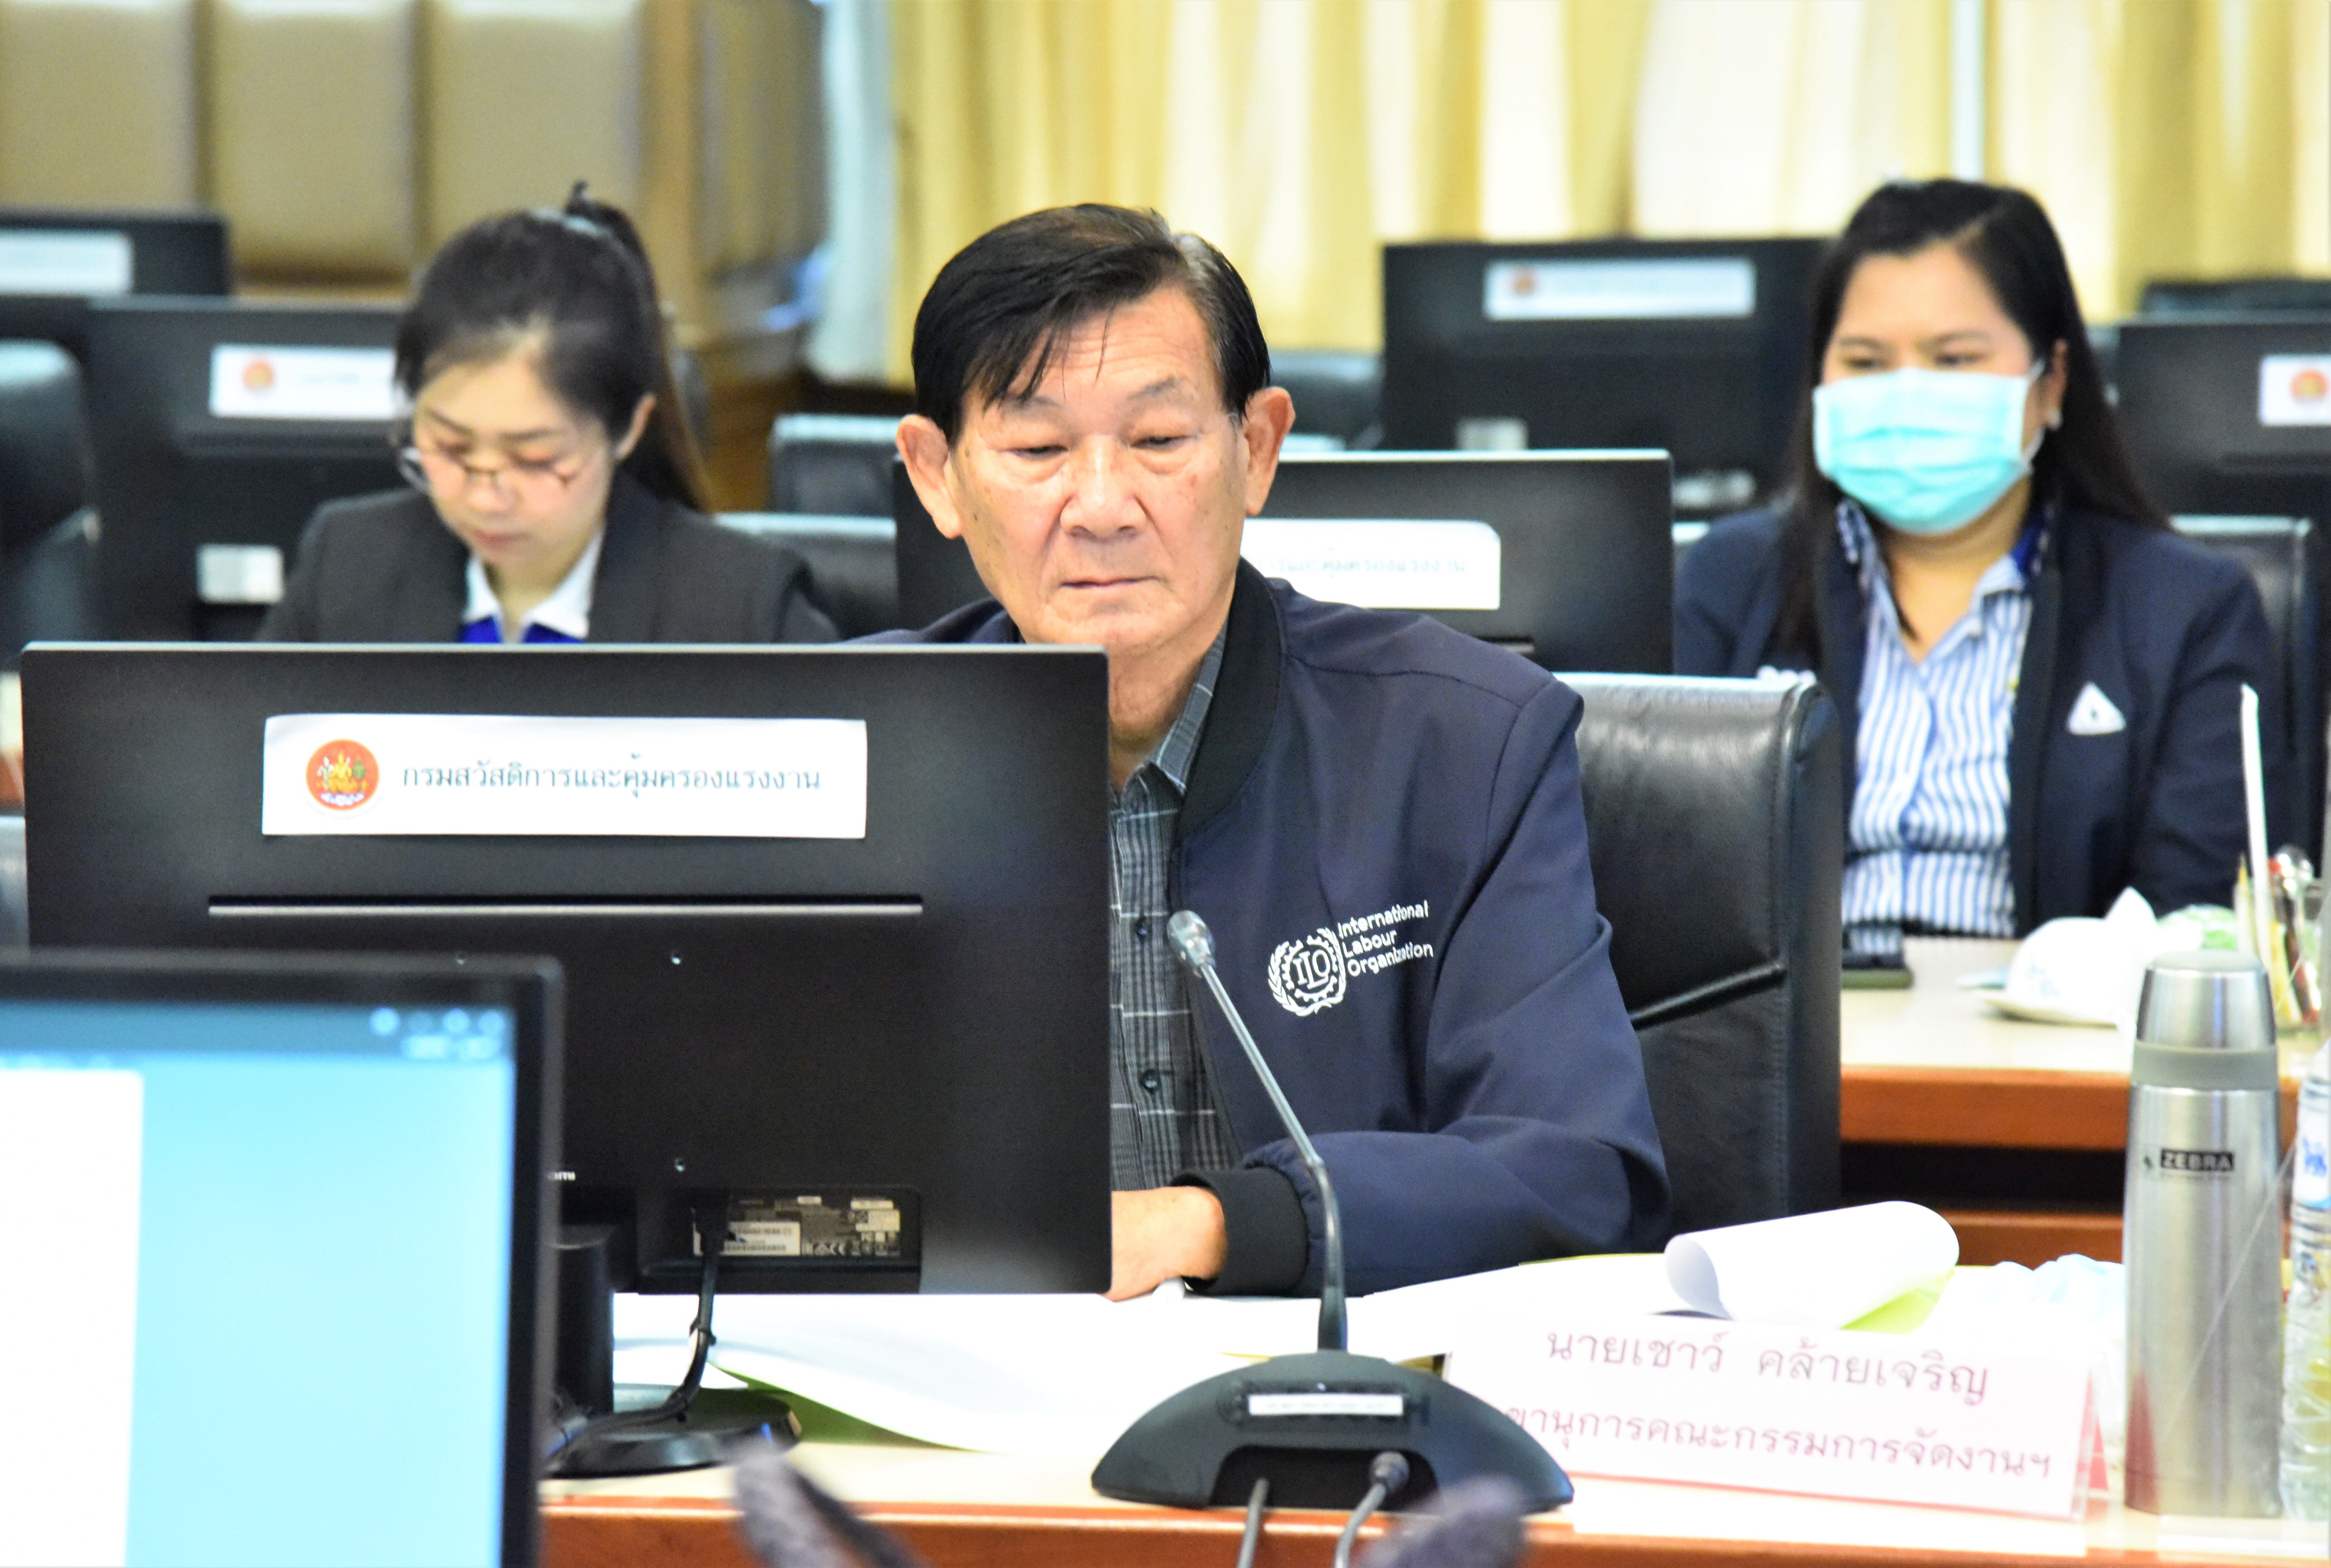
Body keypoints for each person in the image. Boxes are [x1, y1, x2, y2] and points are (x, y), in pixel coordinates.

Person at [888, 205, 1669, 1300]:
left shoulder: (1464, 740)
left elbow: (1577, 1171)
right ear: (936, 475)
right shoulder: (856, 757)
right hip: (944, 1370)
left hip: (1331, 1375)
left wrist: (1211, 1226)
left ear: (1255, 450)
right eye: (1036, 450)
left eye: (1159, 442)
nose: (1101, 505)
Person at [1675, 180, 2283, 949]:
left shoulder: (2186, 608)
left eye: (1953, 358)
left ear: (2050, 382)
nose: (1906, 393)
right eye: (1864, 361)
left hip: (2046, 1020)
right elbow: (1660, 863)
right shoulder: (1730, 581)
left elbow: (2194, 919)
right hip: (1795, 1018)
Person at [260, 186, 836, 644]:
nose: (486, 497)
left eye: (535, 459)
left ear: (627, 428)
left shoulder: (743, 608)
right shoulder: (347, 565)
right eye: (452, 449)